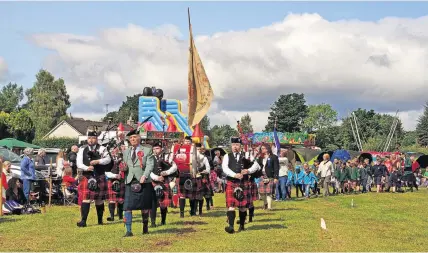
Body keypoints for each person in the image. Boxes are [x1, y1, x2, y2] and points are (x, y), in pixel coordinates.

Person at [222, 137, 260, 233]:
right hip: (232, 182)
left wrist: (248, 170)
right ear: (231, 146)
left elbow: (256, 165)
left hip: (244, 182)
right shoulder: (227, 156)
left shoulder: (247, 155)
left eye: (237, 145)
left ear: (241, 146)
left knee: (242, 206)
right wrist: (234, 174)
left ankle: (242, 226)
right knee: (231, 205)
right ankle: (231, 226)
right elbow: (225, 168)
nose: (235, 147)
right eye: (233, 145)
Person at [76, 127, 112, 227]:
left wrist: (98, 161)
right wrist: (87, 168)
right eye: (89, 138)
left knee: (99, 199)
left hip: (99, 175)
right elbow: (78, 163)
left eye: (93, 138)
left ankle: (100, 220)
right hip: (87, 176)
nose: (91, 140)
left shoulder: (102, 148)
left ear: (96, 139)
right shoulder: (82, 149)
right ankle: (83, 221)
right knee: (85, 198)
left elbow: (108, 159)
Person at [122, 129, 155, 237]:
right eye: (131, 138)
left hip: (143, 180)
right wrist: (122, 168)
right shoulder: (126, 152)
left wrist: (145, 175)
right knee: (127, 206)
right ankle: (128, 230)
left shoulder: (147, 150)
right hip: (129, 180)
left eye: (135, 137)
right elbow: (125, 165)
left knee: (144, 206)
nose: (133, 139)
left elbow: (150, 164)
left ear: (139, 138)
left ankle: (145, 227)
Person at [150, 142, 177, 226]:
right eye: (154, 149)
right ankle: (153, 222)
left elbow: (174, 167)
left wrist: (166, 172)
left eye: (157, 148)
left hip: (164, 181)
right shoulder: (149, 158)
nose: (155, 150)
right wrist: (156, 177)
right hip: (153, 181)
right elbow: (148, 170)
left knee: (163, 204)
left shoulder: (167, 156)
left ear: (161, 149)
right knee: (152, 203)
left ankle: (163, 221)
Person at [171, 136, 196, 218]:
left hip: (190, 174)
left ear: (191, 142)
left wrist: (195, 170)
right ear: (183, 142)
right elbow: (172, 160)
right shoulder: (178, 149)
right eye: (186, 141)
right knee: (182, 194)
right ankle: (182, 213)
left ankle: (192, 211)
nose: (187, 143)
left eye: (189, 141)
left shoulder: (193, 150)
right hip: (180, 174)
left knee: (192, 195)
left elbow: (197, 161)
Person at [105, 146, 126, 222]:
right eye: (113, 150)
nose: (114, 151)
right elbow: (106, 171)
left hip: (122, 180)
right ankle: (112, 216)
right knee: (112, 200)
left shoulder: (123, 158)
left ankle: (120, 215)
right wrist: (114, 175)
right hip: (111, 179)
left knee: (121, 199)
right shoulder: (108, 160)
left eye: (116, 150)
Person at [257, 143, 279, 210]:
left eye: (263, 148)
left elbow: (276, 168)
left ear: (267, 149)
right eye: (261, 149)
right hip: (262, 175)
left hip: (270, 176)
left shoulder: (274, 157)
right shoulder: (260, 157)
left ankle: (269, 207)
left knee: (269, 192)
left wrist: (276, 177)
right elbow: (258, 166)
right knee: (261, 193)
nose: (262, 150)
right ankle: (265, 203)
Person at [194, 143, 211, 215]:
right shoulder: (192, 157)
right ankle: (194, 210)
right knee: (194, 196)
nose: (198, 151)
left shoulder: (204, 158)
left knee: (201, 195)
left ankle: (200, 210)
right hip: (194, 177)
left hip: (202, 177)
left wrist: (205, 171)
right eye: (196, 149)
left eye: (199, 149)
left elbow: (208, 168)